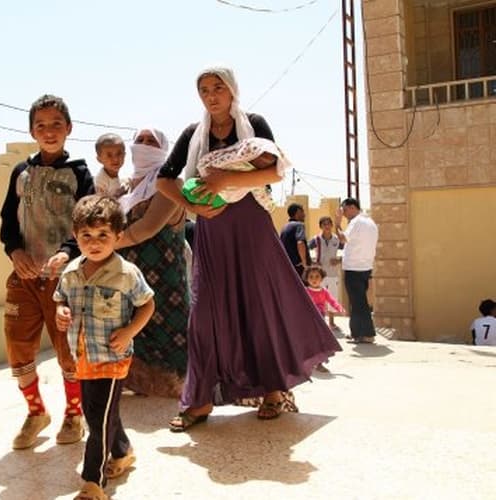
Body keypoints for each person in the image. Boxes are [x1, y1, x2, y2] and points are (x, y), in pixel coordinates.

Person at [154, 65, 341, 428]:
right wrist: (193, 207)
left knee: (259, 308)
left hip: (252, 225)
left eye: (218, 87)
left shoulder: (254, 125)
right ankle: (199, 401)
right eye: (204, 90)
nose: (211, 96)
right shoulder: (193, 134)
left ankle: (272, 391)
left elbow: (275, 171)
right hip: (212, 229)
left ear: (232, 90)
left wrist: (226, 178)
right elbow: (165, 179)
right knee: (204, 315)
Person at [0, 94, 95, 450]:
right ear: (32, 131)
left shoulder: (80, 174)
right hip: (24, 278)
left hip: (65, 281)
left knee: (68, 349)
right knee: (17, 345)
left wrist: (67, 252)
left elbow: (87, 222)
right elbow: (8, 222)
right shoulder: (20, 173)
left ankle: (74, 414)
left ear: (68, 128)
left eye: (56, 124)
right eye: (41, 125)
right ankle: (36, 411)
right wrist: (15, 251)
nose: (49, 131)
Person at [54, 195, 155, 500]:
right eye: (86, 235)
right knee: (100, 412)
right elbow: (60, 298)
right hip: (83, 357)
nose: (94, 242)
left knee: (97, 421)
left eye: (103, 235)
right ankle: (122, 451)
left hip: (112, 358)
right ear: (75, 235)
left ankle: (93, 483)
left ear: (118, 236)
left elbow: (147, 305)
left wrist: (129, 332)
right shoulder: (71, 272)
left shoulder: (126, 273)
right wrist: (61, 311)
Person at [116, 128, 189, 398]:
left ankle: (181, 389)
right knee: (132, 332)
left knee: (171, 337)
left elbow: (146, 227)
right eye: (140, 140)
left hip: (165, 283)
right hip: (129, 281)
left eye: (152, 142)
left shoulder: (170, 184)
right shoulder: (125, 189)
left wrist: (105, 244)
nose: (144, 145)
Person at [335, 197, 379, 344]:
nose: (344, 214)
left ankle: (367, 334)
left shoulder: (356, 222)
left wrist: (337, 224)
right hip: (365, 267)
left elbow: (342, 238)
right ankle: (357, 333)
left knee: (358, 303)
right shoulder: (370, 222)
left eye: (345, 210)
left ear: (352, 207)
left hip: (354, 268)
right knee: (359, 301)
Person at [308, 216, 344, 329]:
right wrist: (314, 262)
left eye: (328, 224)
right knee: (318, 298)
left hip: (333, 273)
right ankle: (319, 321)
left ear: (332, 225)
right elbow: (307, 252)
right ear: (320, 226)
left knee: (332, 297)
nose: (327, 226)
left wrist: (339, 260)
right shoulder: (315, 240)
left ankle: (331, 322)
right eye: (324, 224)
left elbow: (346, 252)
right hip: (319, 276)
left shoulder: (337, 240)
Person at [94, 133, 128, 197]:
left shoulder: (124, 177)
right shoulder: (100, 182)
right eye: (109, 155)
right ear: (99, 159)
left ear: (124, 155)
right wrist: (118, 195)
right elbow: (101, 202)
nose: (115, 159)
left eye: (119, 153)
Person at [280, 203, 308, 278]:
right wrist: (304, 263)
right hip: (298, 267)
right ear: (298, 212)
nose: (304, 215)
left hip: (287, 265)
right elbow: (300, 242)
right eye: (302, 212)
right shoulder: (299, 225)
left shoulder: (284, 227)